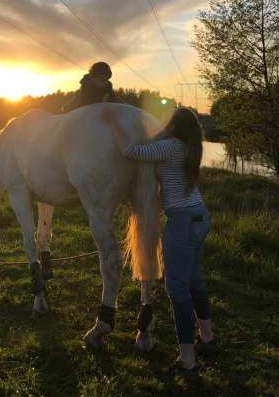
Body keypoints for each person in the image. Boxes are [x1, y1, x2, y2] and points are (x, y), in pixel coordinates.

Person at [101, 105, 215, 374]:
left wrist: (114, 123)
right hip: (199, 216)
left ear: (174, 126)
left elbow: (131, 151)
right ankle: (207, 339)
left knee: (177, 290)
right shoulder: (189, 147)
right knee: (195, 281)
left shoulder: (171, 147)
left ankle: (187, 359)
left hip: (183, 222)